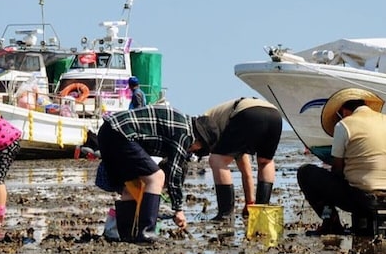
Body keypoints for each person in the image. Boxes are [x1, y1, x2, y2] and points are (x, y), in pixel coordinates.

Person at [296, 88, 386, 235]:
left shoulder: (345, 125)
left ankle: (331, 222)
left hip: (364, 200)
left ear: (344, 111)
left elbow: (337, 170)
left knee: (305, 172)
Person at [95, 105, 200, 241]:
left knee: (131, 186)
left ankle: (127, 236)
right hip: (120, 132)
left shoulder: (179, 128)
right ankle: (146, 234)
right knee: (157, 177)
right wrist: (178, 210)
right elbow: (174, 172)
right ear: (199, 143)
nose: (192, 151)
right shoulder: (185, 134)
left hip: (108, 131)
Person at [191, 97, 283, 220]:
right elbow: (246, 172)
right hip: (274, 115)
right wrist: (249, 203)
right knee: (265, 161)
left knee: (217, 160)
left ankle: (225, 214)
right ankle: (260, 213)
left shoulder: (204, 123)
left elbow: (215, 153)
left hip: (246, 113)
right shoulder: (228, 130)